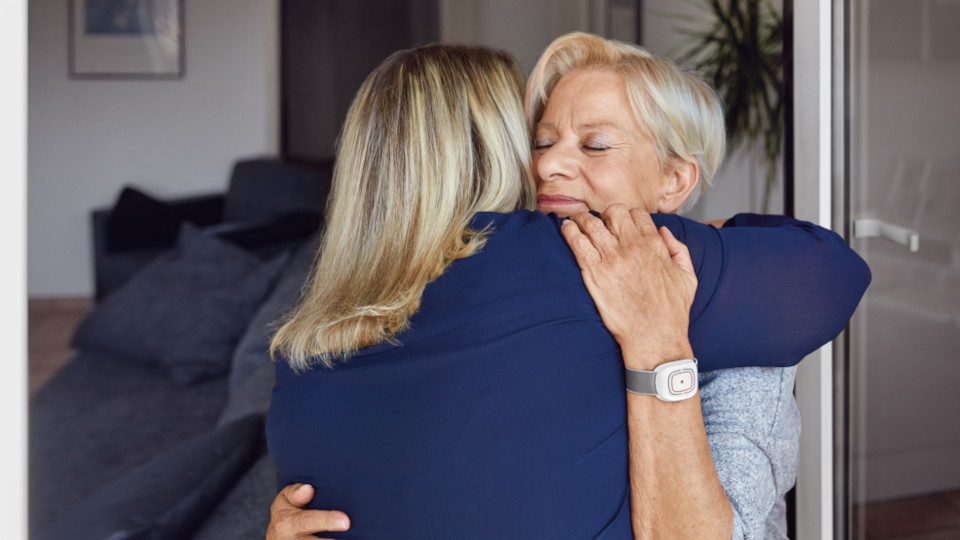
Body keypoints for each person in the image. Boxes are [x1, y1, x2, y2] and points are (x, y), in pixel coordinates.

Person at [265, 38, 869, 539]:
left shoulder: (301, 354)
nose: (547, 166)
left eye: (596, 144)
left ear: (675, 181)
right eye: (539, 141)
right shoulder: (544, 268)